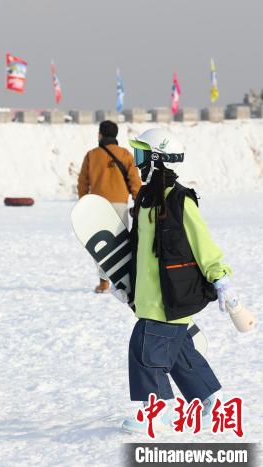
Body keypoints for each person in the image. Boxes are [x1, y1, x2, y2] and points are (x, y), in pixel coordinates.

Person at [118, 128, 231, 434]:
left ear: (157, 159)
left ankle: (157, 415)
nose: (137, 162)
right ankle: (212, 399)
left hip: (170, 298)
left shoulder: (181, 200)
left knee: (145, 349)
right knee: (180, 353)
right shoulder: (145, 199)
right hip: (150, 297)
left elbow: (202, 243)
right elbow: (139, 249)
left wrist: (220, 280)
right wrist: (128, 284)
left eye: (141, 155)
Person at [78, 120, 141, 293]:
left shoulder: (92, 155)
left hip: (98, 207)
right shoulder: (125, 154)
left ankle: (104, 282)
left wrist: (84, 203)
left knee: (100, 246)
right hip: (120, 205)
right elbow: (134, 181)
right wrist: (138, 202)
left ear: (100, 134)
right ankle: (124, 281)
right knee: (121, 244)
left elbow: (83, 183)